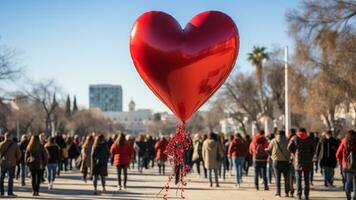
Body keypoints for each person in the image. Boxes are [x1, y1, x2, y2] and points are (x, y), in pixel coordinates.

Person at [288, 128, 316, 200]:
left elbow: (289, 148)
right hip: (308, 161)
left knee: (298, 178)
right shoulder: (310, 139)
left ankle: (299, 195)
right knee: (307, 179)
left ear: (298, 131)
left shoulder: (294, 138)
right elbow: (313, 149)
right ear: (305, 132)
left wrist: (294, 153)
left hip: (298, 161)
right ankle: (306, 195)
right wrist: (310, 156)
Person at [268, 130, 290, 197]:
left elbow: (269, 150)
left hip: (276, 161)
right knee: (286, 178)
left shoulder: (273, 141)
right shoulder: (288, 140)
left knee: (277, 178)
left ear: (277, 134)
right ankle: (287, 192)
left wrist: (272, 156)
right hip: (286, 161)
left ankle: (278, 193)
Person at [336, 130, 356, 200]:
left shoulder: (343, 143)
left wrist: (341, 162)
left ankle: (348, 196)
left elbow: (338, 154)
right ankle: (355, 196)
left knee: (348, 181)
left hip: (346, 166)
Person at [0, 132, 21, 197]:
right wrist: (16, 159)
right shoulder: (15, 145)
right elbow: (19, 154)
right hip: (12, 163)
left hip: (3, 163)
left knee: (1, 178)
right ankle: (10, 192)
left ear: (5, 137)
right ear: (10, 137)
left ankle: (1, 191)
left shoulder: (1, 144)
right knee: (10, 178)